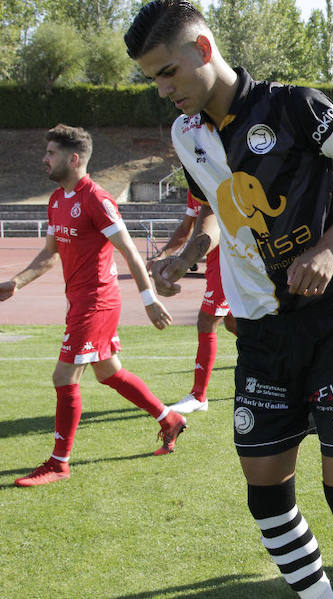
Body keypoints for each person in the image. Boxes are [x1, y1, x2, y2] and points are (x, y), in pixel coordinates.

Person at [124, 2, 333, 597]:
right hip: (259, 334)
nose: (162, 90)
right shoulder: (187, 135)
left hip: (330, 326)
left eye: (167, 72)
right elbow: (218, 204)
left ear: (204, 50)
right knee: (267, 500)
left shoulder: (294, 106)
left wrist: (331, 246)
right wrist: (187, 256)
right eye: (151, 78)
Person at [0, 124, 187, 487]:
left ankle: (59, 463)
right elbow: (49, 255)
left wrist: (148, 300)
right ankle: (169, 418)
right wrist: (16, 283)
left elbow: (129, 250)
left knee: (63, 377)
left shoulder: (96, 198)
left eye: (51, 153)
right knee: (109, 373)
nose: (44, 158)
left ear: (73, 158)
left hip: (98, 303)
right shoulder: (57, 199)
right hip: (79, 302)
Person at [147, 191, 237, 414]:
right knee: (235, 325)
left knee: (206, 319)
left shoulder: (215, 174)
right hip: (215, 262)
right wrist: (161, 255)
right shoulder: (194, 185)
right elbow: (186, 229)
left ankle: (199, 396)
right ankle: (282, 366)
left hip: (231, 260)